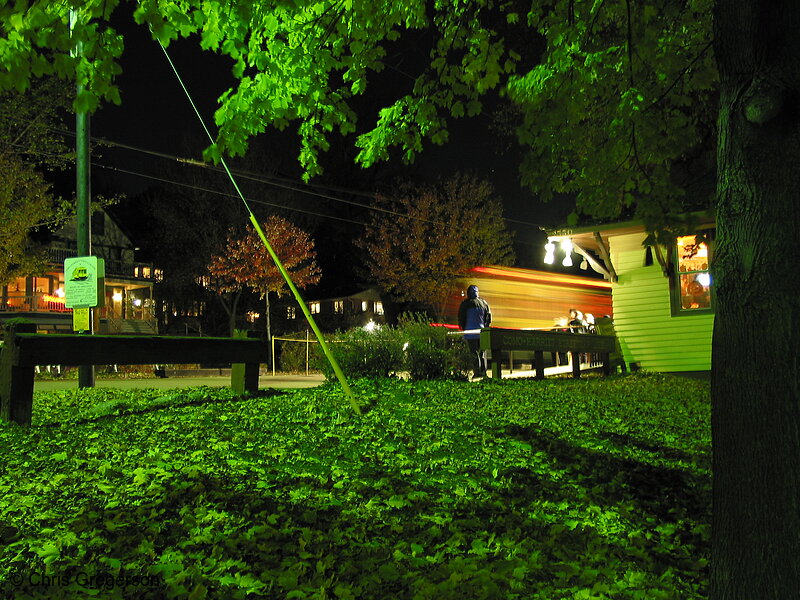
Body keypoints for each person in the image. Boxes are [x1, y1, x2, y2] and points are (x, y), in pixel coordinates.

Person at [458, 284, 492, 378]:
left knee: (474, 353)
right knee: (482, 353)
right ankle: (483, 372)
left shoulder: (465, 304)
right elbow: (489, 317)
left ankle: (476, 372)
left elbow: (462, 318)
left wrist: (463, 328)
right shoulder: (484, 303)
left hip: (470, 333)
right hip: (482, 332)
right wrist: (485, 327)